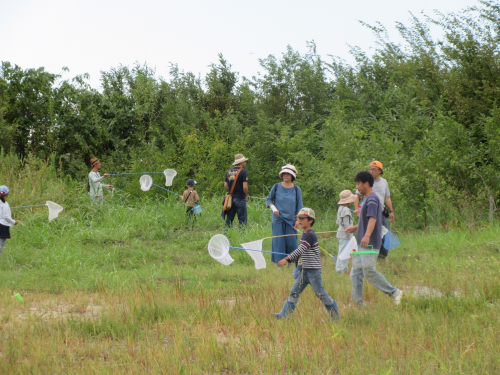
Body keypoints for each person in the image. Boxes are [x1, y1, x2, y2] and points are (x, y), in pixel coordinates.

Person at [346, 171, 403, 306]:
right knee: (356, 273)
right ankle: (356, 302)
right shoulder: (368, 199)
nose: (357, 187)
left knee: (369, 272)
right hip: (363, 242)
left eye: (358, 184)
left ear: (366, 183)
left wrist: (366, 236)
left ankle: (394, 292)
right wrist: (355, 227)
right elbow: (366, 219)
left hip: (369, 243)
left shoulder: (372, 199)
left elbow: (373, 219)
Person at [274, 208, 340, 320]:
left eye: (302, 219)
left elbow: (301, 250)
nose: (299, 221)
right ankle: (284, 315)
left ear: (310, 221)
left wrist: (286, 259)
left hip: (313, 271)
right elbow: (302, 253)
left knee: (320, 293)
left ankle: (334, 315)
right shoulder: (304, 234)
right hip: (305, 270)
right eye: (298, 218)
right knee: (294, 291)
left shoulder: (310, 235)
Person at [354, 161, 395, 259]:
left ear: (380, 171)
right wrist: (357, 209)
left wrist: (391, 211)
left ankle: (382, 256)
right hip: (369, 212)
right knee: (368, 231)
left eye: (374, 169)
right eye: (370, 169)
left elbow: (387, 197)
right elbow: (357, 196)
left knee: (384, 235)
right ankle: (371, 254)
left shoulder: (383, 182)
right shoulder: (364, 182)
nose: (372, 171)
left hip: (381, 213)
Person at [266, 164, 303, 265]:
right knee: (279, 243)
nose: (286, 176)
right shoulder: (276, 186)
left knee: (292, 243)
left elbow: (299, 206)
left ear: (292, 176)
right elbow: (269, 199)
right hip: (278, 219)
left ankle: (293, 263)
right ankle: (279, 264)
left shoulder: (296, 189)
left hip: (291, 220)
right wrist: (273, 208)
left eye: (288, 174)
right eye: (284, 174)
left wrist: (298, 220)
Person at [223, 154, 249, 227]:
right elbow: (245, 187)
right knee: (242, 220)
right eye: (244, 161)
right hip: (240, 198)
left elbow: (225, 185)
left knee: (229, 219)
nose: (245, 163)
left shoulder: (228, 172)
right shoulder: (243, 172)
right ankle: (242, 236)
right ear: (241, 163)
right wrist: (246, 195)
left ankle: (227, 235)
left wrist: (231, 190)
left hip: (230, 199)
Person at [336, 190, 356, 273]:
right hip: (345, 235)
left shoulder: (341, 208)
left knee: (343, 252)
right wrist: (350, 235)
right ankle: (341, 270)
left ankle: (342, 269)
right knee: (344, 253)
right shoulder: (346, 210)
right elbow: (346, 225)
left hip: (341, 234)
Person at [0, 185, 18, 255]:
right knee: (1, 242)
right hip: (3, 225)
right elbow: (6, 216)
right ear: (7, 194)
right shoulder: (5, 204)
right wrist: (14, 222)